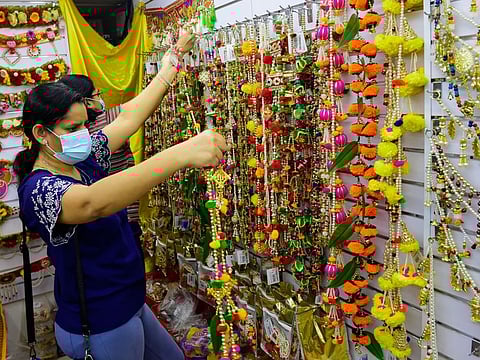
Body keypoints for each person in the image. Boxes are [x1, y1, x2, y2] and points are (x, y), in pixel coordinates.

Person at [14, 30, 228, 360]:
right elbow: (93, 202)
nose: (84, 135)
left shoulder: (82, 158)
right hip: (100, 323)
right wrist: (180, 155)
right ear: (41, 133)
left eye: (85, 125)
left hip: (130, 303)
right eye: (72, 129)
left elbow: (129, 116)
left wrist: (174, 57)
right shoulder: (39, 190)